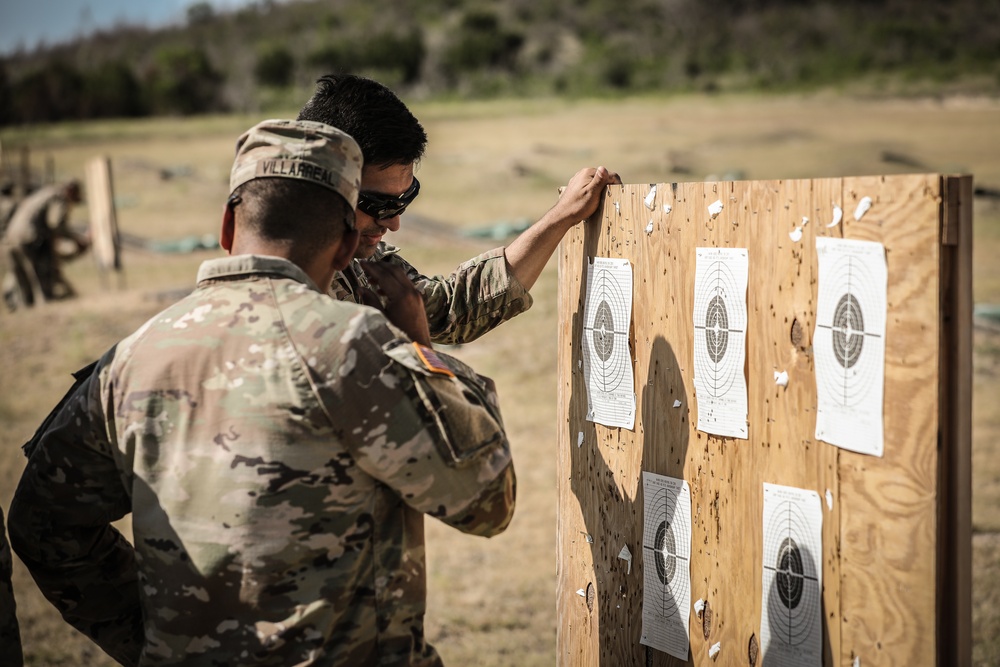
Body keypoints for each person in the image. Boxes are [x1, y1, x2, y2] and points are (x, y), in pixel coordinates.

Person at [8, 119, 516, 666]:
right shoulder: (354, 347)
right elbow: (488, 499)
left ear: (228, 224)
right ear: (348, 245)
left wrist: (162, 639)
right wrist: (419, 347)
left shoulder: (131, 358)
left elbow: (44, 527)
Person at [297, 73, 621, 345]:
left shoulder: (356, 260)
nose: (393, 223)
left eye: (404, 199)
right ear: (324, 185)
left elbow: (453, 310)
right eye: (378, 204)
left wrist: (562, 215)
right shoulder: (279, 292)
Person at [1, 179, 90, 311]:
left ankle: (28, 312)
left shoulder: (44, 193)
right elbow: (56, 224)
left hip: (12, 237)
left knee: (23, 282)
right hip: (29, 237)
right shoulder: (59, 197)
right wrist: (77, 240)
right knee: (40, 276)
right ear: (70, 191)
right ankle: (45, 308)